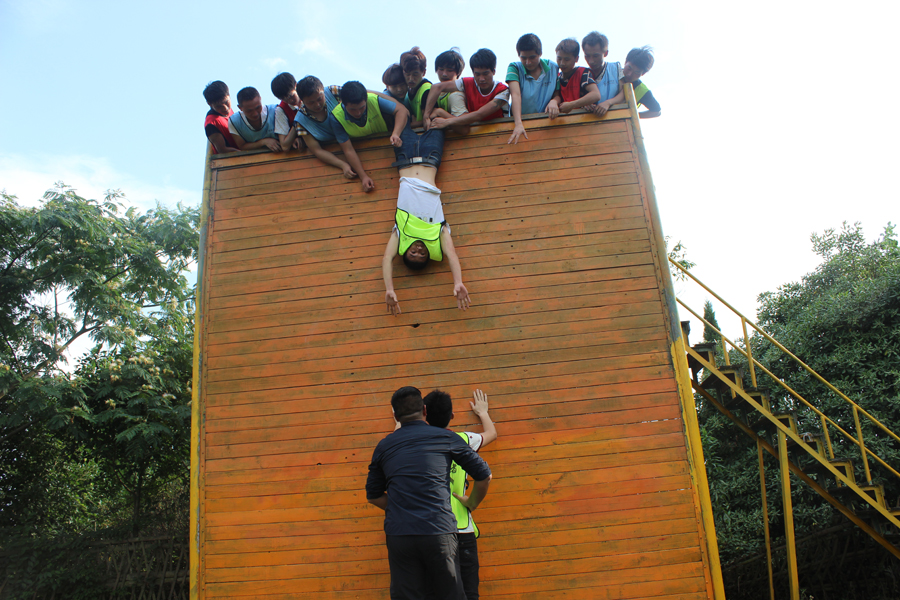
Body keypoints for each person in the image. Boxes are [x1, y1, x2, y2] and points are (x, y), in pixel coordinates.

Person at [367, 386, 492, 600]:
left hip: (400, 534)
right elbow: (484, 476)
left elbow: (374, 495)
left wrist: (401, 508)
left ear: (396, 416)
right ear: (424, 411)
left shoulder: (385, 446)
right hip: (439, 531)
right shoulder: (446, 438)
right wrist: (472, 503)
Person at [381, 122, 470, 315]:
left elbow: (388, 258)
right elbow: (452, 255)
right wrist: (458, 282)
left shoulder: (401, 232)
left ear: (405, 252)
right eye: (423, 255)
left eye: (413, 254)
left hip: (404, 159)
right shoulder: (439, 231)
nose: (419, 251)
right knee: (435, 115)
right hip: (431, 158)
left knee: (401, 115)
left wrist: (389, 289)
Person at [422, 389, 497, 600]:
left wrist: (399, 422)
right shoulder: (463, 440)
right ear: (452, 415)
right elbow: (491, 434)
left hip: (431, 530)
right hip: (462, 529)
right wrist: (483, 412)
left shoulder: (417, 445)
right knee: (469, 592)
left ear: (424, 414)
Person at [327, 80, 410, 193]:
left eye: (362, 107)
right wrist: (363, 176)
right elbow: (348, 149)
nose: (358, 113)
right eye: (352, 109)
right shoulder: (336, 117)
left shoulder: (373, 99)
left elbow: (402, 111)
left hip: (390, 150)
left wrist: (396, 133)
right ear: (343, 103)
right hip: (367, 158)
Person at [423, 48, 510, 131]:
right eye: (477, 74)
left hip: (499, 132)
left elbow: (479, 115)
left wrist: (446, 121)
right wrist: (426, 116)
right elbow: (436, 87)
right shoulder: (467, 83)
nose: (481, 79)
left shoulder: (503, 90)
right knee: (455, 95)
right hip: (473, 132)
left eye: (485, 74)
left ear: (494, 72)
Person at [292, 76, 358, 181]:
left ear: (323, 90)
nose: (317, 105)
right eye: (310, 102)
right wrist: (342, 165)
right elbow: (317, 151)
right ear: (302, 101)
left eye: (319, 99)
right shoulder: (301, 122)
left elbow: (360, 97)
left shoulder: (333, 91)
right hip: (339, 154)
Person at [505, 33, 560, 144]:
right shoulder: (514, 67)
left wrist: (555, 101)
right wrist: (518, 123)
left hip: (546, 124)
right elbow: (515, 94)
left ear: (540, 53)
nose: (528, 62)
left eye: (532, 57)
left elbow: (558, 93)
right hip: (521, 123)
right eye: (523, 58)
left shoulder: (553, 67)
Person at [427, 48, 470, 135]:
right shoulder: (432, 93)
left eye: (450, 70)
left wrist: (440, 112)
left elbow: (464, 129)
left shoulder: (457, 94)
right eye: (441, 69)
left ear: (458, 72)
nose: (444, 74)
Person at [581, 31, 625, 117]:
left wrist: (608, 103)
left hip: (614, 121)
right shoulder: (582, 73)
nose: (591, 61)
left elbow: (624, 93)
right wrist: (584, 104)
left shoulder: (616, 68)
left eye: (596, 56)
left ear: (606, 53)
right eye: (587, 56)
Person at [552, 38, 601, 114]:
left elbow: (596, 94)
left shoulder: (583, 73)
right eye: (559, 58)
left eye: (567, 59)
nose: (562, 63)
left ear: (576, 59)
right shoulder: (556, 77)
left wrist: (571, 105)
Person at [227, 87, 281, 152]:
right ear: (240, 108)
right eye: (249, 111)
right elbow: (242, 146)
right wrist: (263, 142)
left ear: (260, 99)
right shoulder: (235, 122)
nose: (255, 114)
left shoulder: (275, 111)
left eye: (258, 107)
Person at [623, 46, 661, 118]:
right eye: (629, 68)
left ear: (643, 74)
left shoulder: (642, 91)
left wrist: (633, 116)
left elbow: (656, 111)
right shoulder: (610, 72)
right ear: (625, 62)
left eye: (636, 72)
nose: (629, 74)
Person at [202, 81, 238, 154]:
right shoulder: (211, 123)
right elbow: (222, 150)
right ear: (209, 104)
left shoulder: (229, 111)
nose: (225, 108)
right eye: (219, 106)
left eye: (226, 102)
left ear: (229, 95)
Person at [270, 72, 303, 152]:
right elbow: (285, 146)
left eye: (291, 95)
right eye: (285, 99)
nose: (290, 100)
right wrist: (298, 120)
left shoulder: (309, 94)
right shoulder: (281, 110)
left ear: (296, 85)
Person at [400, 47, 432, 127]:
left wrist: (406, 125)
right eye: (407, 74)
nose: (411, 79)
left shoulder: (426, 90)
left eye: (415, 74)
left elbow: (431, 119)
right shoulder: (406, 91)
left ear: (423, 72)